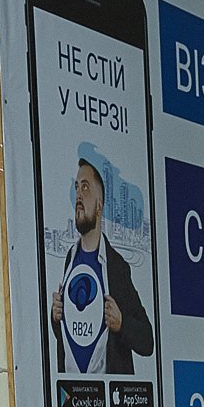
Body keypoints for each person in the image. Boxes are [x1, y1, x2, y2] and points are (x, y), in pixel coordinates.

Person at [49, 157, 152, 375]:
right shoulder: (70, 259)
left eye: (85, 187)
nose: (78, 195)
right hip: (71, 392)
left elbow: (147, 341)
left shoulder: (116, 267)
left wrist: (121, 324)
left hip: (106, 393)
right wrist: (56, 317)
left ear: (99, 205)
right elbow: (72, 337)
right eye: (76, 187)